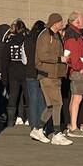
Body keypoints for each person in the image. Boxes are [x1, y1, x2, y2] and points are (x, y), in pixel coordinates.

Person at [33, 14, 72, 146]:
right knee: (57, 104)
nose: (62, 24)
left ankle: (38, 129)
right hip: (47, 74)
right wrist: (59, 58)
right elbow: (42, 55)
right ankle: (56, 134)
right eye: (60, 22)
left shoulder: (57, 35)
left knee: (51, 105)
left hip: (55, 74)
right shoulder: (45, 36)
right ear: (55, 23)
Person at [61, 13, 83, 136]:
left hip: (78, 70)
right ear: (76, 21)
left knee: (75, 97)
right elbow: (72, 54)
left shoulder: (73, 34)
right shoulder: (72, 35)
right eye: (82, 19)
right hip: (78, 71)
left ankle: (72, 125)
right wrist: (80, 68)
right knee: (77, 98)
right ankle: (73, 127)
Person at [1, 21, 28, 127]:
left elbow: (4, 62)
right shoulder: (26, 41)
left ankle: (10, 121)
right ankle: (29, 119)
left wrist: (4, 78)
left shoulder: (9, 43)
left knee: (13, 96)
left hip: (12, 73)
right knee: (27, 97)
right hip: (25, 72)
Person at [23, 19, 45, 136]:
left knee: (33, 100)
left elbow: (24, 59)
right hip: (41, 72)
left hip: (29, 72)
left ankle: (33, 126)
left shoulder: (27, 40)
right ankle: (41, 126)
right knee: (42, 100)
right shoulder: (42, 40)